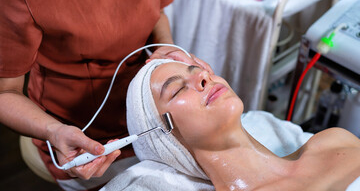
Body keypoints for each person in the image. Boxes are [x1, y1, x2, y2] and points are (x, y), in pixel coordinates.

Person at [0, 0, 211, 189]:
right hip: (83, 138)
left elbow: (156, 12)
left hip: (150, 119)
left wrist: (164, 49)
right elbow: (5, 94)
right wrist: (54, 132)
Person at [112, 59, 360, 191]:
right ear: (165, 138)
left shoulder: (333, 140)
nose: (203, 77)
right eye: (176, 89)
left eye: (197, 70)